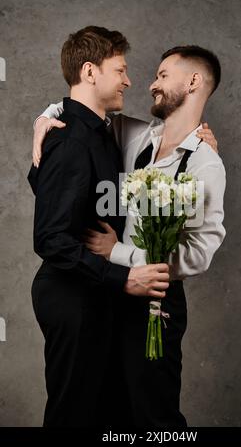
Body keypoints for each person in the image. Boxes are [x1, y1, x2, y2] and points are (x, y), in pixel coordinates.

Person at [32, 45, 226, 428]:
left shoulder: (206, 162)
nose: (151, 84)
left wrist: (119, 252)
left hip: (157, 302)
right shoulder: (136, 135)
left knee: (154, 413)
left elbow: (200, 253)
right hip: (112, 293)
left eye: (163, 75)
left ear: (193, 81)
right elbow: (82, 111)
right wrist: (45, 117)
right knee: (111, 411)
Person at [27, 26, 171, 428]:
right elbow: (50, 238)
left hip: (96, 295)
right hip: (74, 297)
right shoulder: (71, 140)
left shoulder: (102, 131)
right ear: (90, 71)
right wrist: (121, 278)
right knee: (73, 416)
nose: (128, 80)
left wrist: (201, 137)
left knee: (106, 415)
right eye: (120, 70)